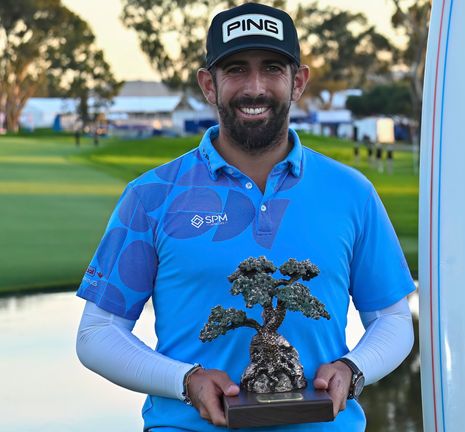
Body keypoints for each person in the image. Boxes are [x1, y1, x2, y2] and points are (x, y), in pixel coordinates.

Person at [74, 3, 415, 431]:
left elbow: (393, 319)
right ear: (208, 85)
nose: (255, 87)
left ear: (299, 82)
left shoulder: (352, 193)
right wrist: (185, 380)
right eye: (235, 69)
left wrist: (352, 368)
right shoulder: (151, 195)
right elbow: (98, 333)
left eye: (272, 68)